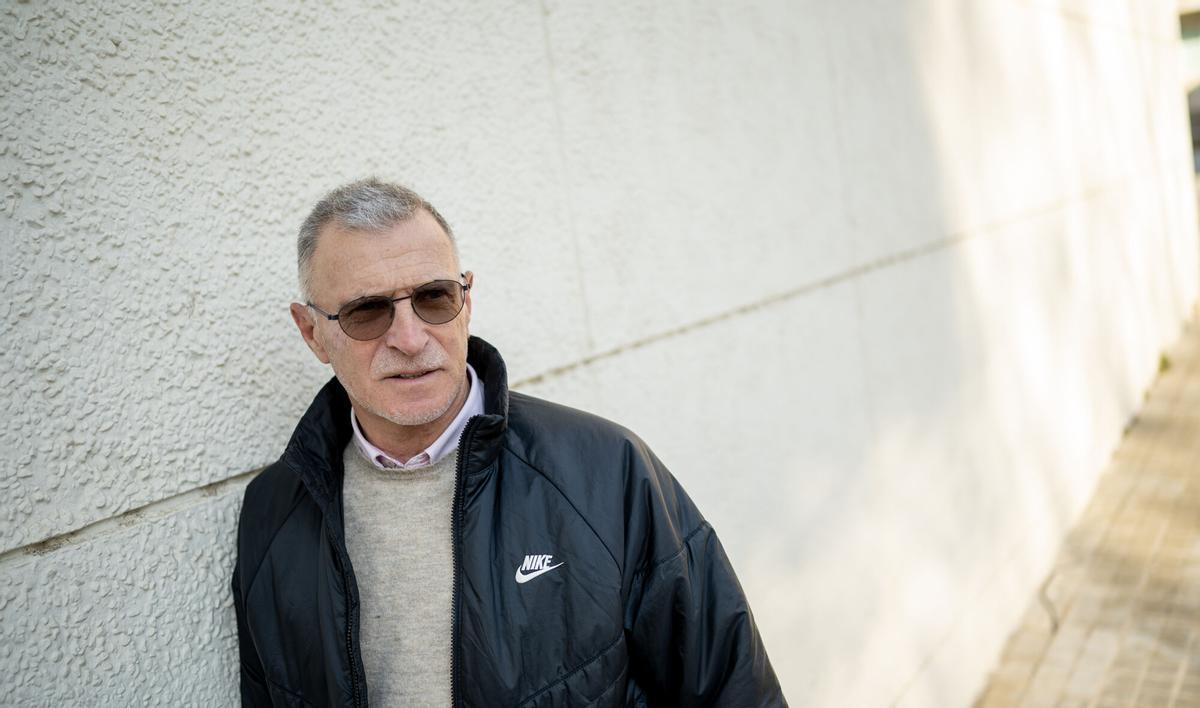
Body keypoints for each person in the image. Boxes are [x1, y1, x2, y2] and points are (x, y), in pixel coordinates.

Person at [231, 178, 785, 707]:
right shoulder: (273, 515)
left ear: (466, 302)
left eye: (434, 297)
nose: (409, 338)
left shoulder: (605, 473)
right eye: (367, 312)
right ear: (312, 333)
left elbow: (729, 690)